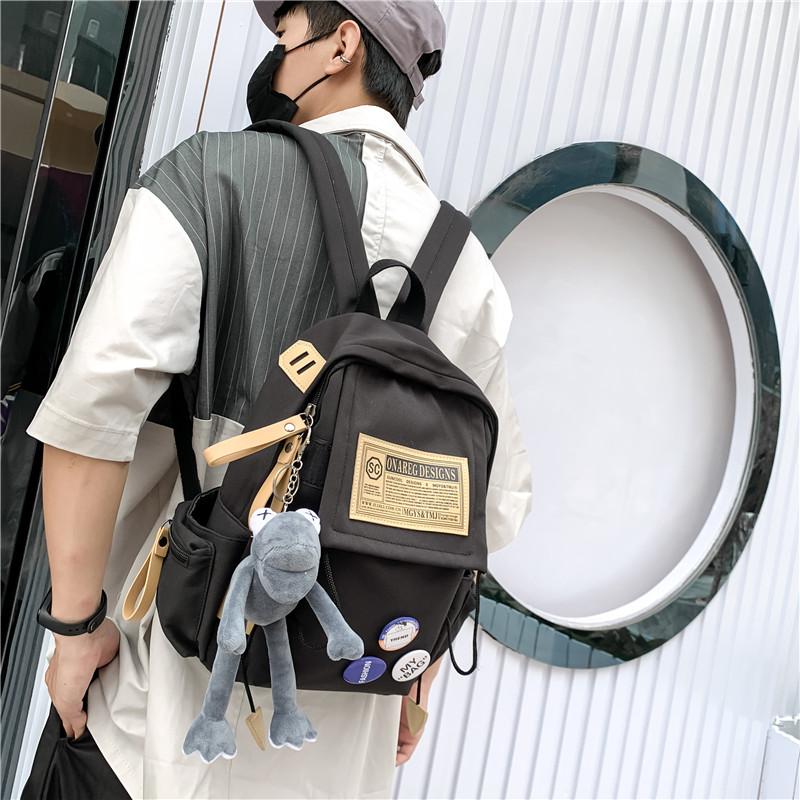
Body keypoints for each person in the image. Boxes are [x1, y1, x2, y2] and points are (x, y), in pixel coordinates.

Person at [22, 1, 534, 797]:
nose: (274, 57)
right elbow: (488, 520)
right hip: (339, 758)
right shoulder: (470, 271)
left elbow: (92, 409)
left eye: (285, 35)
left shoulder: (211, 179)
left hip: (153, 733)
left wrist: (76, 632)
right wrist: (414, 681)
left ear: (341, 44)